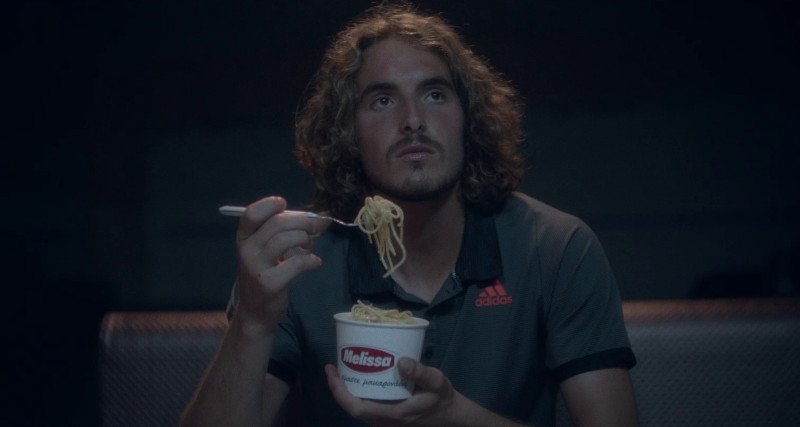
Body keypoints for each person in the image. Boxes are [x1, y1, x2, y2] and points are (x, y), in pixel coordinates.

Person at [181, 3, 638, 426]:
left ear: (468, 118)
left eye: (435, 94)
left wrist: (453, 415)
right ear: (348, 132)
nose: (413, 119)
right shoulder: (300, 263)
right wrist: (253, 320)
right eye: (382, 100)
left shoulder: (556, 248)